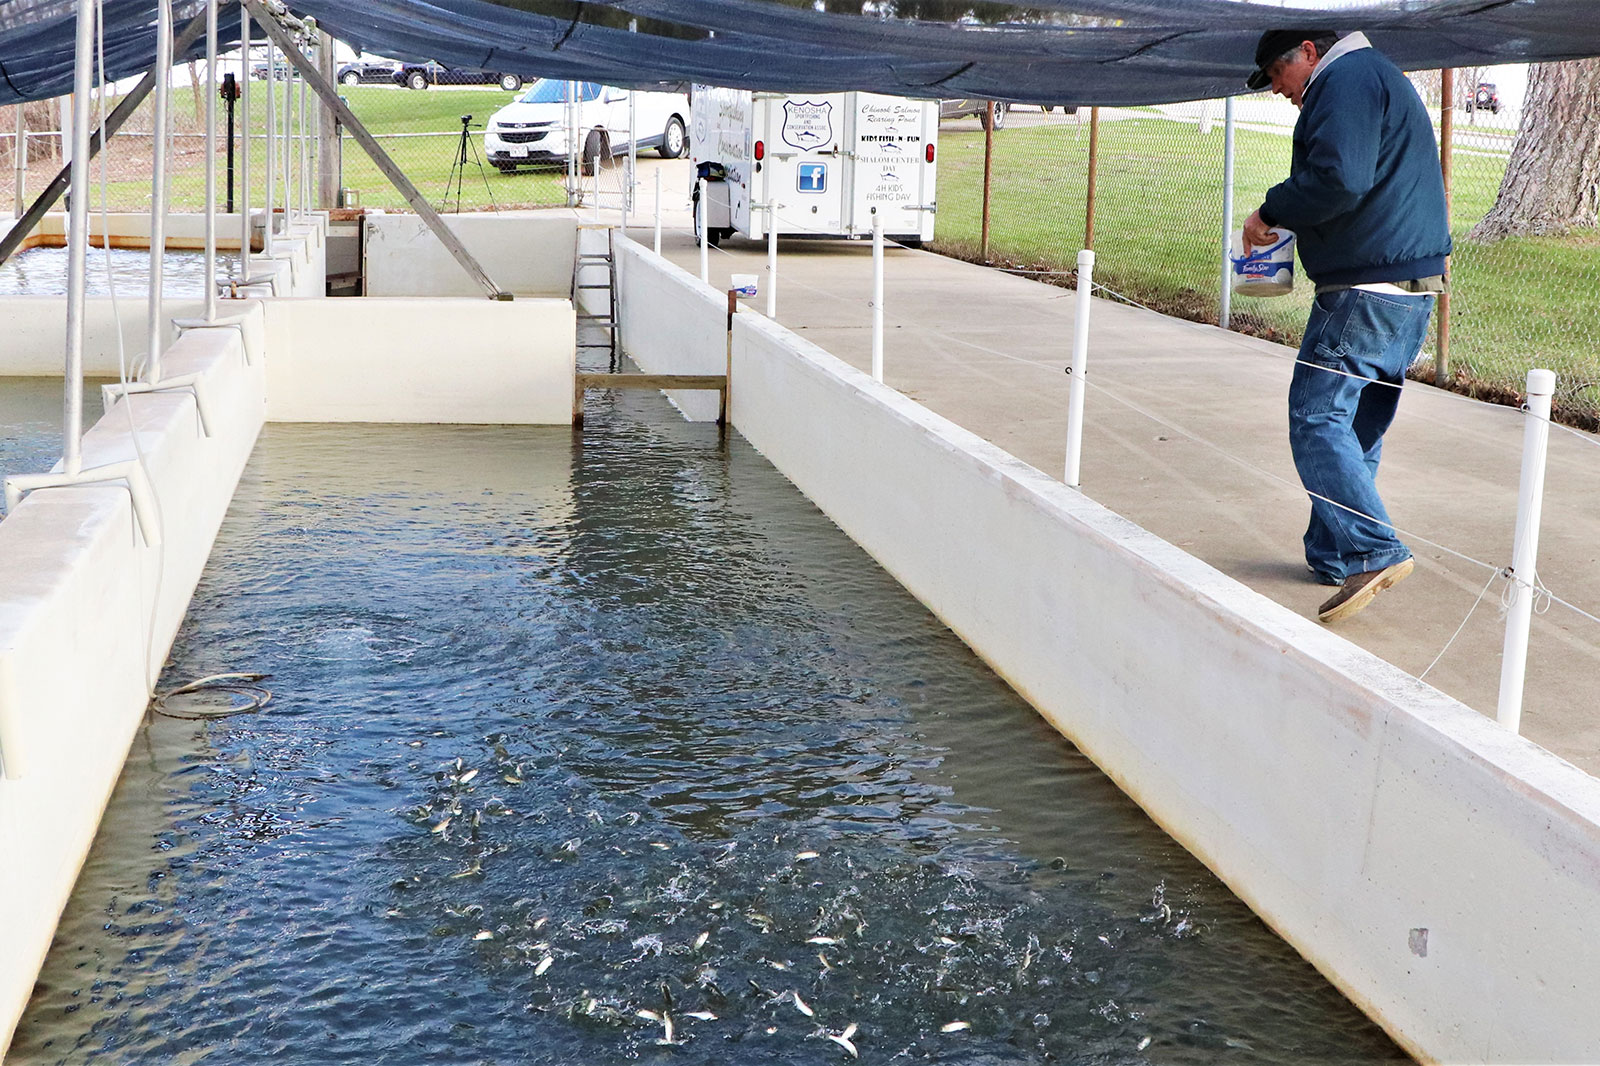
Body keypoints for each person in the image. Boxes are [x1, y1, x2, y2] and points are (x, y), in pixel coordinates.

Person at [1241, 29, 1450, 624]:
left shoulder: (1347, 78)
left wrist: (1271, 211)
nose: (1281, 92)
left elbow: (1340, 178)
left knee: (1316, 417)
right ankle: (1334, 551)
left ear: (1307, 52)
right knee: (1356, 426)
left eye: (1279, 77)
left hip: (1365, 284)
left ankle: (1371, 549)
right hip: (1409, 285)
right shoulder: (1374, 76)